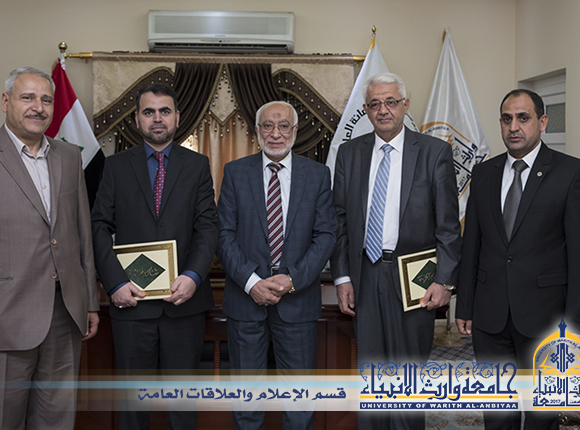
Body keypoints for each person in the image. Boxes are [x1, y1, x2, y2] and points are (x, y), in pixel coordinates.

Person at [0, 67, 99, 430]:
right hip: (1, 324)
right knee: (3, 421)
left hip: (65, 316)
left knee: (57, 422)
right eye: (27, 97)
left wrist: (89, 300)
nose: (38, 107)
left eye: (46, 100)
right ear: (5, 101)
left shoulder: (69, 156)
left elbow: (81, 235)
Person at [455, 89, 580, 430]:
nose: (513, 127)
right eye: (507, 119)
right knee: (497, 414)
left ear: (542, 122)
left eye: (523, 118)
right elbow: (472, 244)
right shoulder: (484, 174)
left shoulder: (572, 173)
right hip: (489, 319)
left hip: (547, 321)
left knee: (542, 416)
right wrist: (465, 305)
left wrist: (576, 327)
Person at [330, 72, 462, 429]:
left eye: (390, 102)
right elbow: (339, 221)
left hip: (415, 279)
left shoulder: (434, 152)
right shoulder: (349, 154)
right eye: (375, 104)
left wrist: (444, 281)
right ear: (366, 110)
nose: (383, 110)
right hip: (365, 274)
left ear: (405, 105)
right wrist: (342, 277)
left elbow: (448, 226)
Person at [91, 83, 218, 430]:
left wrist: (193, 276)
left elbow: (208, 227)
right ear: (137, 119)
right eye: (149, 112)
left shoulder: (197, 165)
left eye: (164, 111)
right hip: (132, 304)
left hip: (184, 304)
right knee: (133, 407)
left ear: (177, 117)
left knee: (182, 406)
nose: (157, 118)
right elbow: (98, 226)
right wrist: (114, 283)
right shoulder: (115, 166)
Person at [217, 101, 337, 430]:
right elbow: (223, 235)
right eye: (268, 125)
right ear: (257, 131)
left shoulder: (317, 175)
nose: (276, 133)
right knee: (246, 401)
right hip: (246, 302)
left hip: (297, 302)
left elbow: (326, 235)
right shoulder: (235, 172)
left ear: (295, 131)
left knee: (299, 402)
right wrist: (252, 282)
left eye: (284, 125)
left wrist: (293, 279)